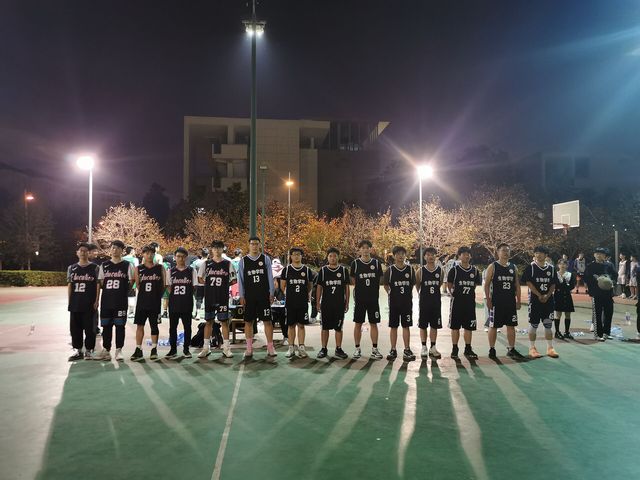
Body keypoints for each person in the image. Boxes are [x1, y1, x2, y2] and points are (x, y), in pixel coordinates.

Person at [483, 243, 525, 360]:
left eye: (508, 250)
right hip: (497, 302)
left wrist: (518, 300)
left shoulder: (513, 267)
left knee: (511, 325)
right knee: (493, 326)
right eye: (503, 250)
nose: (506, 252)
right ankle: (492, 349)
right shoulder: (493, 266)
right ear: (498, 252)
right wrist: (488, 300)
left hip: (510, 302)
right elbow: (486, 285)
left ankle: (511, 349)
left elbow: (517, 285)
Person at [95, 240, 135, 361]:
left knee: (120, 326)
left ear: (122, 250)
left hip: (120, 301)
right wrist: (97, 300)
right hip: (106, 301)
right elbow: (101, 282)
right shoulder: (104, 265)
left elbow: (131, 281)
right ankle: (106, 350)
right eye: (113, 247)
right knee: (106, 326)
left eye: (118, 248)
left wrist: (122, 291)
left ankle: (119, 350)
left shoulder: (127, 265)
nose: (115, 250)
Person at [238, 237, 276, 358]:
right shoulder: (243, 261)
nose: (254, 246)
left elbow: (270, 276)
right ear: (249, 245)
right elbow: (240, 280)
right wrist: (241, 295)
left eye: (256, 244)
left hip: (263, 295)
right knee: (248, 322)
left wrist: (271, 292)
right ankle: (249, 348)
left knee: (267, 321)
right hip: (249, 296)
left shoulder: (265, 259)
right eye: (252, 244)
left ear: (260, 245)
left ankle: (270, 347)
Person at [198, 240, 236, 359]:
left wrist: (224, 286)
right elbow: (199, 278)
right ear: (212, 249)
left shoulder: (228, 263)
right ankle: (206, 348)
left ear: (222, 249)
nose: (217, 250)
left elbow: (234, 280)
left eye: (219, 248)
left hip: (222, 297)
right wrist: (209, 285)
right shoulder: (206, 263)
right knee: (208, 321)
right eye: (214, 248)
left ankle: (226, 348)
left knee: (224, 321)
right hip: (210, 296)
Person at [520, 245, 559, 358]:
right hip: (535, 301)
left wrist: (547, 295)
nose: (538, 255)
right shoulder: (531, 267)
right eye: (536, 253)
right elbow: (528, 282)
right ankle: (532, 348)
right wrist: (539, 295)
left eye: (541, 253)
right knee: (533, 325)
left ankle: (550, 348)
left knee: (548, 324)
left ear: (546, 255)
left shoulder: (551, 268)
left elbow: (553, 284)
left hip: (548, 301)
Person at [130, 245, 167, 361]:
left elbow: (164, 285)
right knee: (139, 325)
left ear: (154, 254)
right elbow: (138, 285)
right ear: (143, 254)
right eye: (147, 253)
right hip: (142, 302)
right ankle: (138, 349)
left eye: (151, 253)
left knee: (154, 326)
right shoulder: (138, 268)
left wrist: (157, 296)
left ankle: (154, 349)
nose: (149, 255)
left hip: (155, 302)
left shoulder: (160, 268)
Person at [350, 240, 384, 360]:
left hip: (373, 299)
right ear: (360, 250)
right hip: (360, 299)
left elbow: (380, 279)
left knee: (374, 323)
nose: (365, 250)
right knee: (358, 323)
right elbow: (353, 279)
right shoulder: (355, 263)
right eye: (363, 248)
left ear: (370, 249)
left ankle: (374, 349)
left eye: (367, 247)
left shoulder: (376, 263)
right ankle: (357, 349)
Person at [67, 242, 100, 360]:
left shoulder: (95, 268)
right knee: (75, 329)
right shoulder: (71, 268)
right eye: (81, 250)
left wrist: (96, 300)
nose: (83, 253)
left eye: (85, 251)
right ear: (77, 253)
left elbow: (98, 285)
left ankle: (89, 350)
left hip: (89, 303)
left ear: (89, 253)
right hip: (76, 303)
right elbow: (70, 285)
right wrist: (70, 301)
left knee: (90, 329)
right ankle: (78, 350)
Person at [447, 246, 481, 360]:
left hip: (469, 303)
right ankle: (454, 349)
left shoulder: (474, 271)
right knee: (455, 327)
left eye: (468, 254)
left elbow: (474, 285)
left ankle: (468, 349)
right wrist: (454, 293)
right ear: (459, 256)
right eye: (464, 254)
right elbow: (449, 284)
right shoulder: (454, 270)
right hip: (457, 303)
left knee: (469, 327)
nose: (466, 256)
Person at [383, 246, 416, 362]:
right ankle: (393, 349)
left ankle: (407, 349)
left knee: (406, 326)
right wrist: (392, 294)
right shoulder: (390, 270)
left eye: (402, 254)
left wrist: (406, 295)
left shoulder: (410, 270)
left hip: (406, 304)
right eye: (398, 254)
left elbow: (412, 284)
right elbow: (386, 285)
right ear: (394, 256)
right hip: (394, 304)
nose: (400, 256)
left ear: (405, 255)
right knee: (394, 326)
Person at [315, 247, 349, 359]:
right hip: (326, 304)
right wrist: (318, 302)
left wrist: (347, 302)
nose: (333, 258)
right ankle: (323, 348)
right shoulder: (323, 271)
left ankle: (338, 349)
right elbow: (319, 287)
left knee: (338, 328)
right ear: (327, 257)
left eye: (335, 256)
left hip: (339, 304)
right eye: (330, 256)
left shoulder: (343, 271)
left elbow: (346, 288)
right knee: (325, 327)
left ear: (338, 257)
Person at [166, 246, 198, 359]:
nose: (180, 258)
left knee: (187, 327)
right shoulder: (170, 271)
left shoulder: (191, 271)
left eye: (183, 256)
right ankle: (173, 349)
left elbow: (194, 287)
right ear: (175, 257)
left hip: (187, 302)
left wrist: (186, 295)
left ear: (186, 257)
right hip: (174, 303)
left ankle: (186, 349)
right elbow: (168, 287)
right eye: (178, 256)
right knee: (172, 328)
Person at [281, 247, 313, 358]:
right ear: (291, 256)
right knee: (291, 325)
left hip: (302, 303)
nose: (296, 256)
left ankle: (301, 348)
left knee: (301, 325)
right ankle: (291, 348)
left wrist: (304, 295)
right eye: (294, 254)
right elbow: (282, 286)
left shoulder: (307, 270)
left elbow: (309, 286)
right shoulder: (286, 270)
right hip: (290, 303)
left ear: (301, 256)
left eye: (298, 254)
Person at [584, 247, 617, 341]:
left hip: (608, 293)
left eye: (601, 254)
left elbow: (615, 275)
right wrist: (596, 281)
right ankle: (598, 334)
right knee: (597, 314)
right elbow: (586, 278)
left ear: (604, 256)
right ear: (594, 255)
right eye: (597, 253)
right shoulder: (590, 266)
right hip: (597, 293)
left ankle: (606, 332)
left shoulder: (609, 265)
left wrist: (611, 282)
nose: (599, 255)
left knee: (609, 313)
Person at [416, 247, 443, 359]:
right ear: (424, 257)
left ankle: (433, 347)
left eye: (432, 254)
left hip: (436, 302)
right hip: (424, 303)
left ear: (435, 256)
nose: (431, 256)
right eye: (428, 254)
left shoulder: (440, 271)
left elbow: (440, 284)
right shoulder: (420, 271)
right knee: (423, 325)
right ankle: (423, 347)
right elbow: (418, 285)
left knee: (434, 325)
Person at [553, 258, 576, 340]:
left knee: (568, 314)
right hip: (558, 295)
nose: (562, 265)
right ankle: (557, 332)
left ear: (567, 265)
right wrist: (563, 285)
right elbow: (554, 284)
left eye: (564, 264)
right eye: (560, 264)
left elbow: (572, 285)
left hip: (567, 295)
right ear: (558, 265)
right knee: (558, 314)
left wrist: (565, 286)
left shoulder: (570, 274)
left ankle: (567, 332)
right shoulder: (555, 274)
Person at [192, 248, 208, 321]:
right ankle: (207, 314)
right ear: (208, 255)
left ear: (201, 254)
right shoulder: (209, 262)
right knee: (207, 300)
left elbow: (192, 270)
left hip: (198, 283)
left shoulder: (196, 262)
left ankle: (198, 314)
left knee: (198, 299)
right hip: (207, 284)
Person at [123, 246, 139, 318]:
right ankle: (131, 312)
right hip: (132, 280)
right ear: (132, 251)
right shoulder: (135, 260)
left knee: (123, 296)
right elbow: (137, 270)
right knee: (131, 297)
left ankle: (123, 311)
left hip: (123, 280)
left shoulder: (122, 259)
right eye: (134, 251)